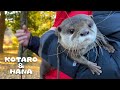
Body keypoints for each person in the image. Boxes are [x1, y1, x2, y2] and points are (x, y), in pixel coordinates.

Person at [15, 11, 120, 79]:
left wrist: (45, 42)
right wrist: (33, 42)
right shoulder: (61, 14)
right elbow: (57, 44)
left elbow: (110, 68)